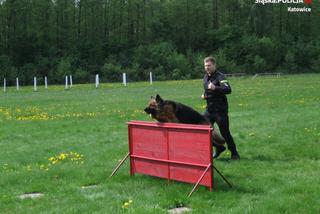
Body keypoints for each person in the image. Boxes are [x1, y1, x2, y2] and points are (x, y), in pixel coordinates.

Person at [201, 56, 240, 160]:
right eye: (205, 66)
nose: (207, 68)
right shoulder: (205, 77)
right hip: (209, 110)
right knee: (203, 130)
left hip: (220, 111)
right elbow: (208, 90)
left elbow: (228, 89)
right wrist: (205, 95)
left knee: (225, 133)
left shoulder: (220, 76)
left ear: (214, 65)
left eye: (209, 65)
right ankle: (218, 147)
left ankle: (234, 153)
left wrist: (215, 88)